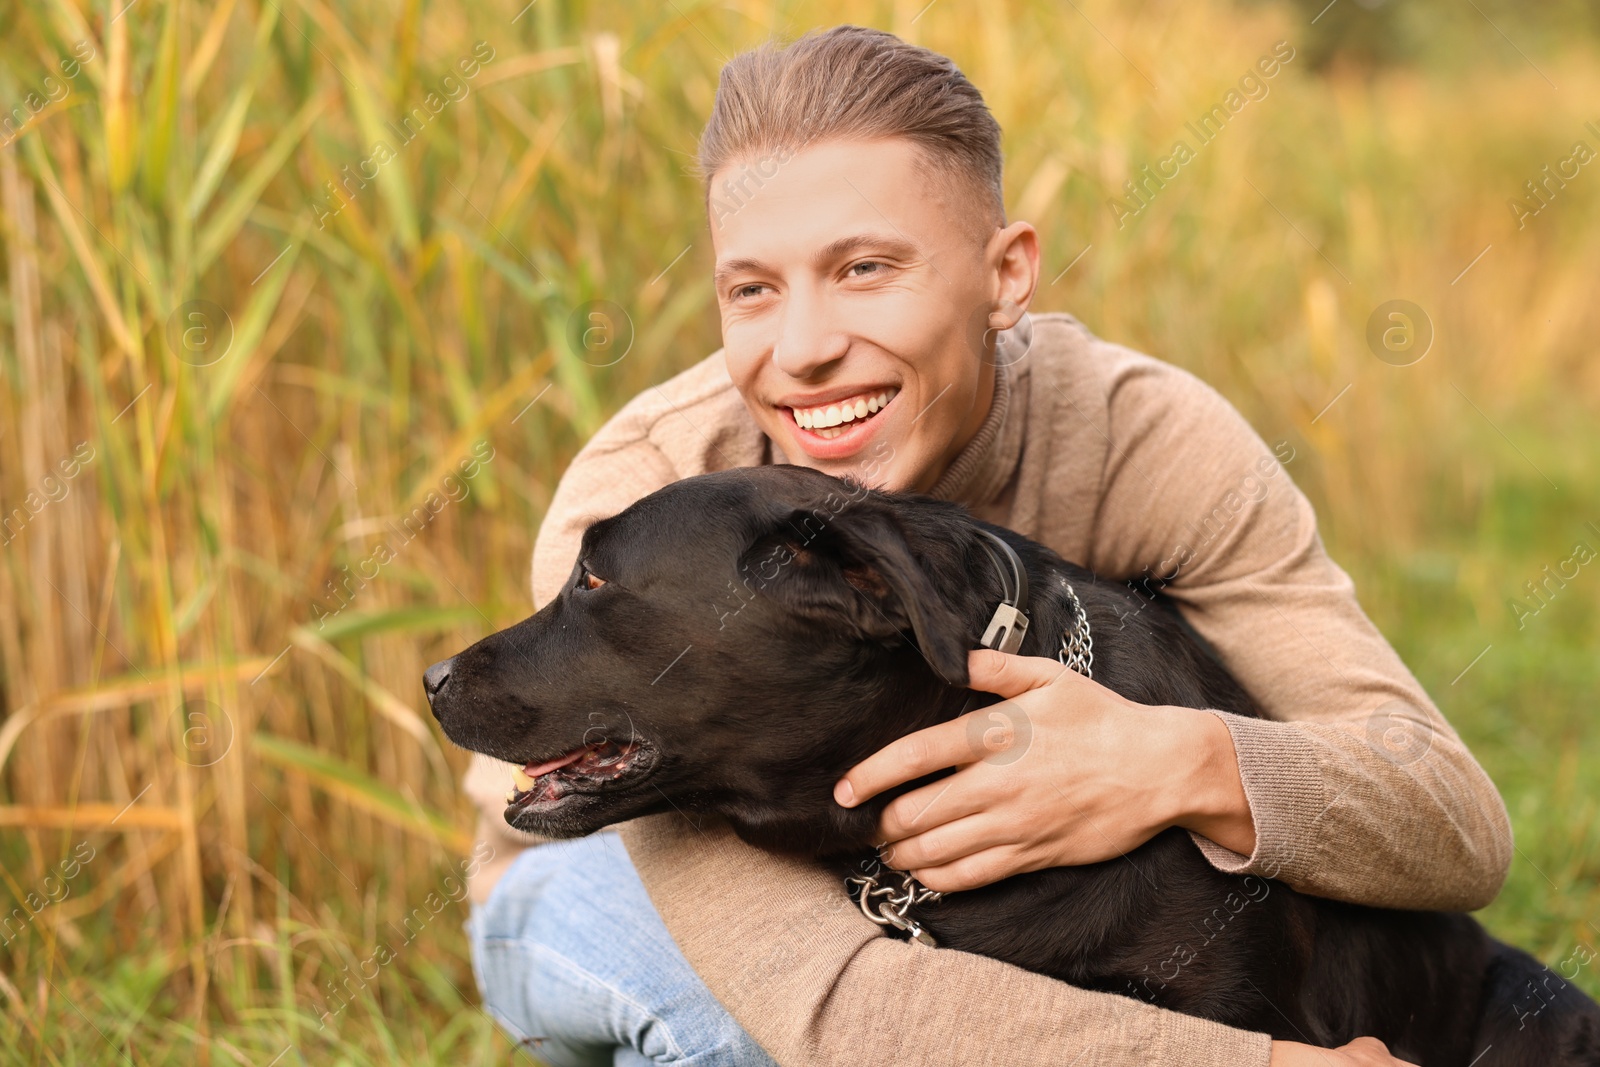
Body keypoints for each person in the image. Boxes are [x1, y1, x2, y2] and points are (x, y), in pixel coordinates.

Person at [461, 24, 1511, 1067]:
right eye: (752, 289)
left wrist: (1173, 759)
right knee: (748, 1032)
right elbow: (826, 1002)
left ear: (1007, 274)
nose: (803, 349)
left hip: (975, 909)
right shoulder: (648, 492)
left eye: (865, 267)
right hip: (590, 879)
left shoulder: (1143, 440)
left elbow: (1451, 821)